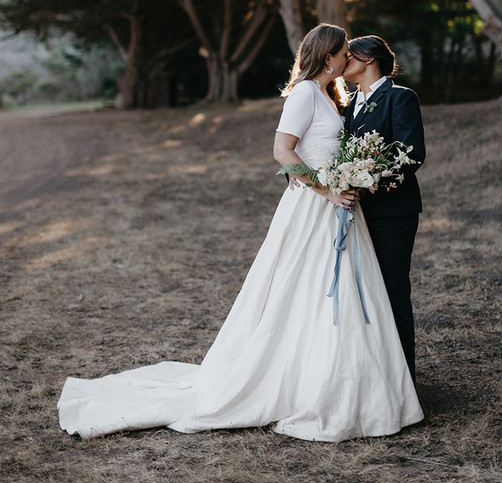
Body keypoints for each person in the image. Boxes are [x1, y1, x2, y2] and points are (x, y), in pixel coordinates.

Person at [57, 23, 422, 442]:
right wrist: (325, 188)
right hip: (318, 206)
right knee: (305, 290)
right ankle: (304, 382)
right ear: (328, 57)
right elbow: (282, 151)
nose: (346, 58)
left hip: (340, 209)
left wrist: (342, 181)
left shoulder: (333, 96)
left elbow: (328, 150)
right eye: (343, 52)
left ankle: (348, 379)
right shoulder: (305, 93)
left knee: (335, 294)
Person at [343, 35, 425, 384]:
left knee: (392, 290)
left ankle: (403, 379)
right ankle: (374, 374)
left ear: (370, 58)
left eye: (350, 55)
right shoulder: (350, 104)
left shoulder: (400, 97)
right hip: (356, 214)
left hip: (392, 212)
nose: (344, 61)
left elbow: (411, 153)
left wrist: (365, 180)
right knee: (364, 291)